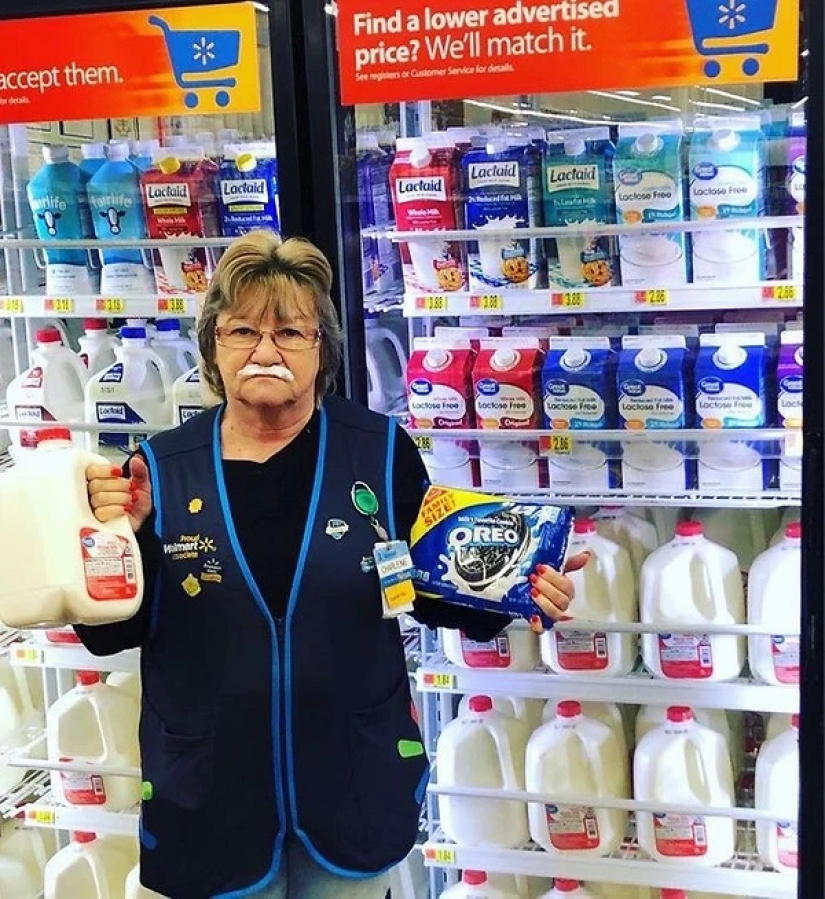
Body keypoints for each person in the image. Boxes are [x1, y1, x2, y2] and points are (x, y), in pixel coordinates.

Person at [77, 229, 587, 899]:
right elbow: (110, 632)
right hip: (208, 800)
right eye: (241, 332)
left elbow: (426, 585)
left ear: (323, 351)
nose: (265, 351)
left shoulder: (375, 450)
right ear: (213, 347)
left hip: (349, 785)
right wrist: (109, 539)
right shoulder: (161, 469)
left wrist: (521, 587)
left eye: (290, 332)